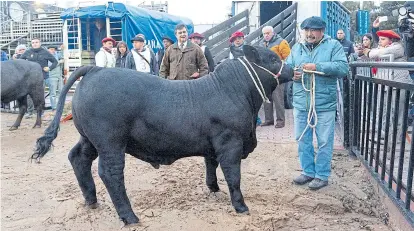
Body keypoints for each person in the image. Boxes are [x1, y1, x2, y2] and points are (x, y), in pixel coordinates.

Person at [286, 16, 348, 190]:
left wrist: (317, 67)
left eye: (313, 30)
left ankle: (322, 175)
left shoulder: (334, 45)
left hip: (323, 103)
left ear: (322, 31)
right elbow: (288, 67)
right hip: (301, 102)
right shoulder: (297, 47)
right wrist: (293, 74)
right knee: (302, 139)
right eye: (306, 30)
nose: (309, 34)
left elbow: (343, 68)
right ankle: (308, 171)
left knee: (324, 141)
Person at [259, 26, 291, 128]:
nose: (266, 35)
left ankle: (280, 121)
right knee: (266, 98)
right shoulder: (262, 43)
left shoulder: (281, 42)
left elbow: (288, 58)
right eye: (264, 34)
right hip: (266, 75)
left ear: (273, 33)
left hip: (278, 75)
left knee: (278, 98)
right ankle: (269, 120)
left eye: (268, 33)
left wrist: (281, 70)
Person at [20, 37, 58, 117]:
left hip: (41, 77)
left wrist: (49, 68)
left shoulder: (45, 52)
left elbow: (55, 62)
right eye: (33, 42)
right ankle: (30, 112)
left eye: (36, 42)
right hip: (30, 77)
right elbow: (20, 61)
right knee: (29, 95)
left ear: (40, 43)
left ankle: (40, 112)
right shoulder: (28, 52)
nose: (35, 44)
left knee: (40, 95)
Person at [47, 45, 64, 111]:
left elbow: (61, 54)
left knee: (61, 91)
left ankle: (60, 106)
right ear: (48, 50)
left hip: (59, 76)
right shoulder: (47, 56)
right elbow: (50, 66)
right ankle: (54, 107)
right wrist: (59, 62)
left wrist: (62, 49)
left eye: (54, 49)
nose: (53, 50)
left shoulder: (56, 54)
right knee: (53, 93)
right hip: (52, 77)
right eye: (51, 49)